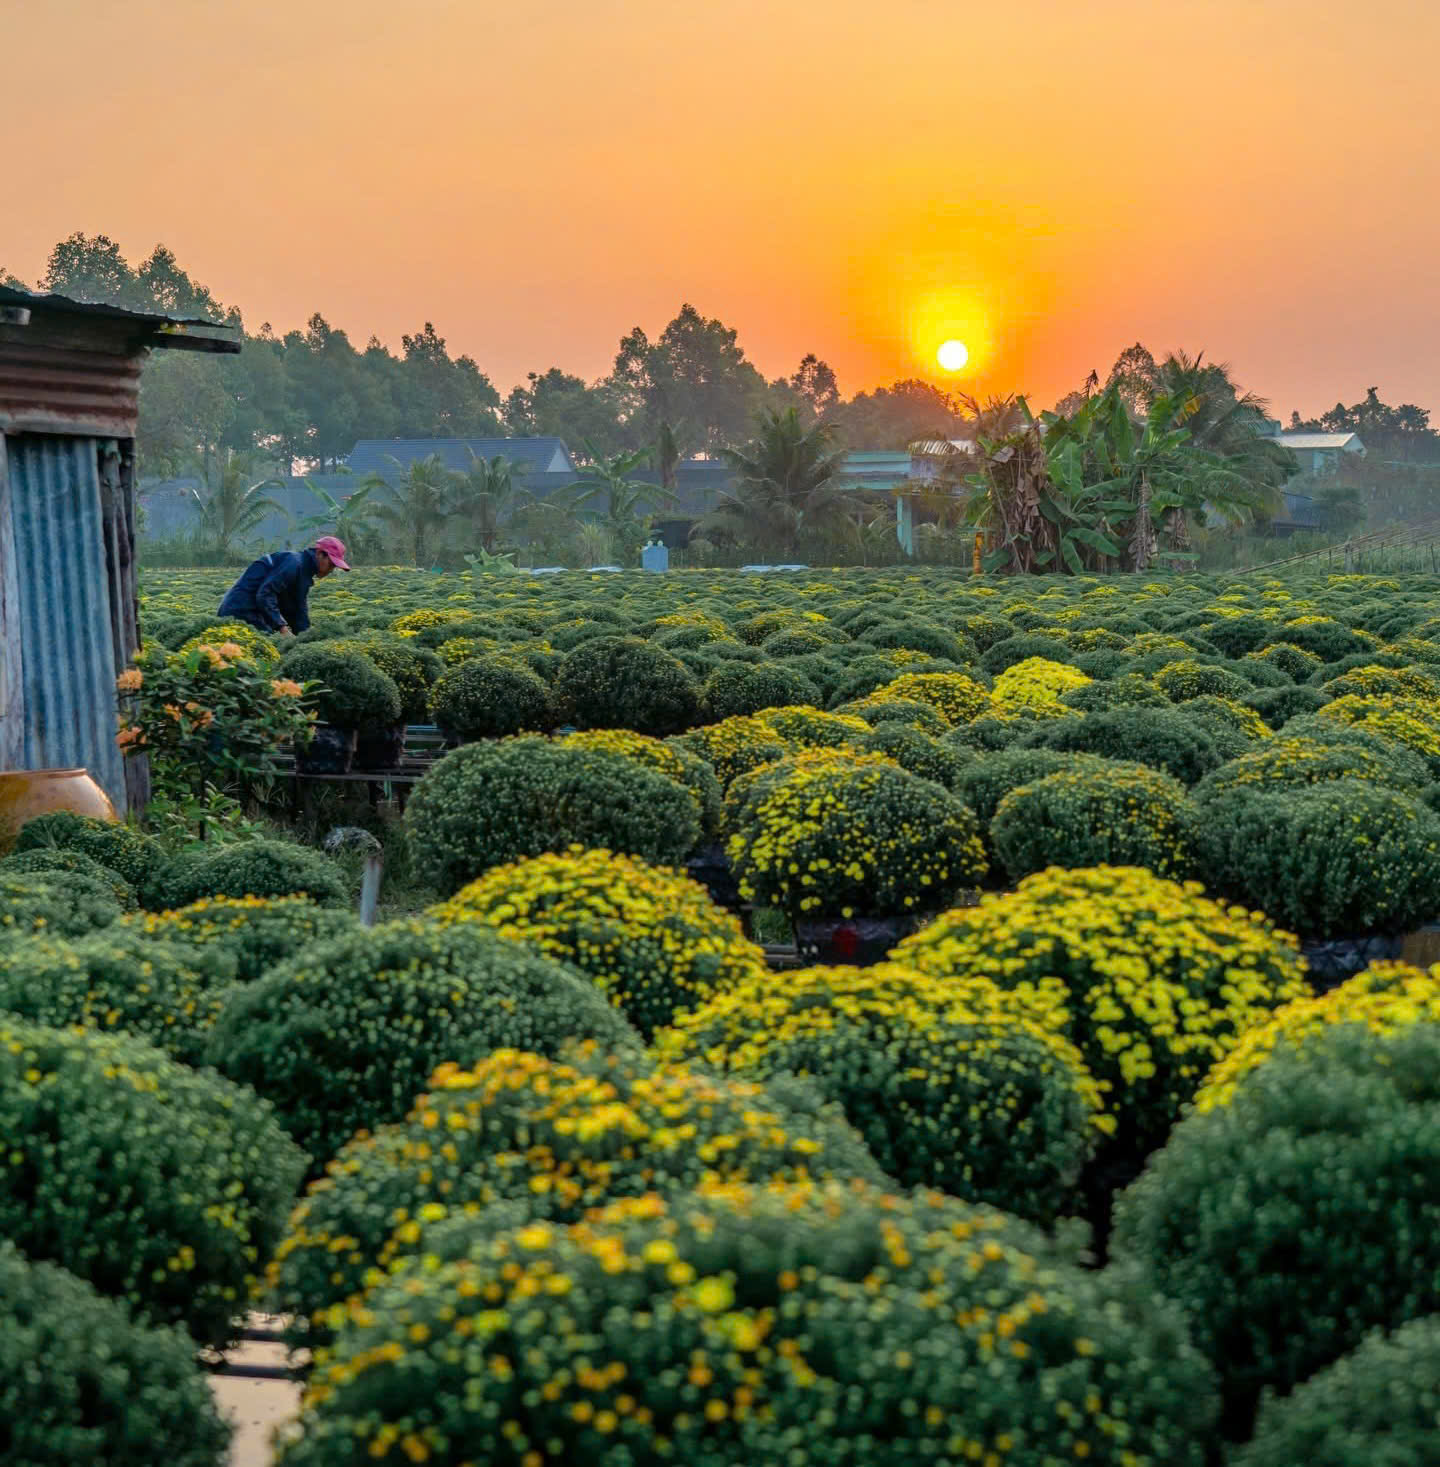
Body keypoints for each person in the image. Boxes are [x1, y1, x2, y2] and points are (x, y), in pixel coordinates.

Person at [217, 535, 351, 637]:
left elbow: (298, 610)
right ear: (319, 554)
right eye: (331, 564)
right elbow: (265, 594)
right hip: (240, 611)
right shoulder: (294, 564)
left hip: (255, 612)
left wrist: (305, 637)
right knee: (272, 646)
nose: (331, 570)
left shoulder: (304, 572)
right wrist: (282, 628)